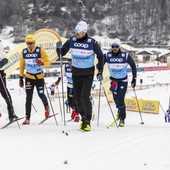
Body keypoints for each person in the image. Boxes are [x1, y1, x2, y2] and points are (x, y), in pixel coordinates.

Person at [56, 21, 104, 131]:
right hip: (76, 73)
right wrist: (58, 48)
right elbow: (61, 53)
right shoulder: (72, 40)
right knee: (77, 99)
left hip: (88, 74)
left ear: (84, 32)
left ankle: (87, 121)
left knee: (84, 97)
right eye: (75, 32)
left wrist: (100, 70)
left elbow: (101, 56)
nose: (76, 34)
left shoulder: (92, 42)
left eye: (78, 32)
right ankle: (83, 117)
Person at [103, 38, 137, 127]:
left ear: (119, 46)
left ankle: (122, 119)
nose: (114, 48)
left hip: (123, 81)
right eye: (113, 46)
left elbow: (133, 66)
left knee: (121, 98)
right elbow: (100, 62)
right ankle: (119, 110)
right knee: (115, 98)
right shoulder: (107, 55)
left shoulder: (125, 56)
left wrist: (134, 78)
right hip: (113, 81)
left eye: (116, 46)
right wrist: (99, 71)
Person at [19, 34, 51, 125]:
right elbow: (21, 66)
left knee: (41, 94)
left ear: (34, 42)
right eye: (28, 43)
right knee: (28, 98)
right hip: (29, 77)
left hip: (39, 77)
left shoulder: (40, 51)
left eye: (31, 43)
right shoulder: (24, 52)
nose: (29, 45)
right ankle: (27, 118)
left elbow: (48, 63)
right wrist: (21, 78)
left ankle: (46, 107)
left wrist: (42, 63)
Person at [0, 40, 18, 122]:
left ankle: (11, 113)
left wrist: (1, 64)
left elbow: (6, 59)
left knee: (4, 93)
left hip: (0, 73)